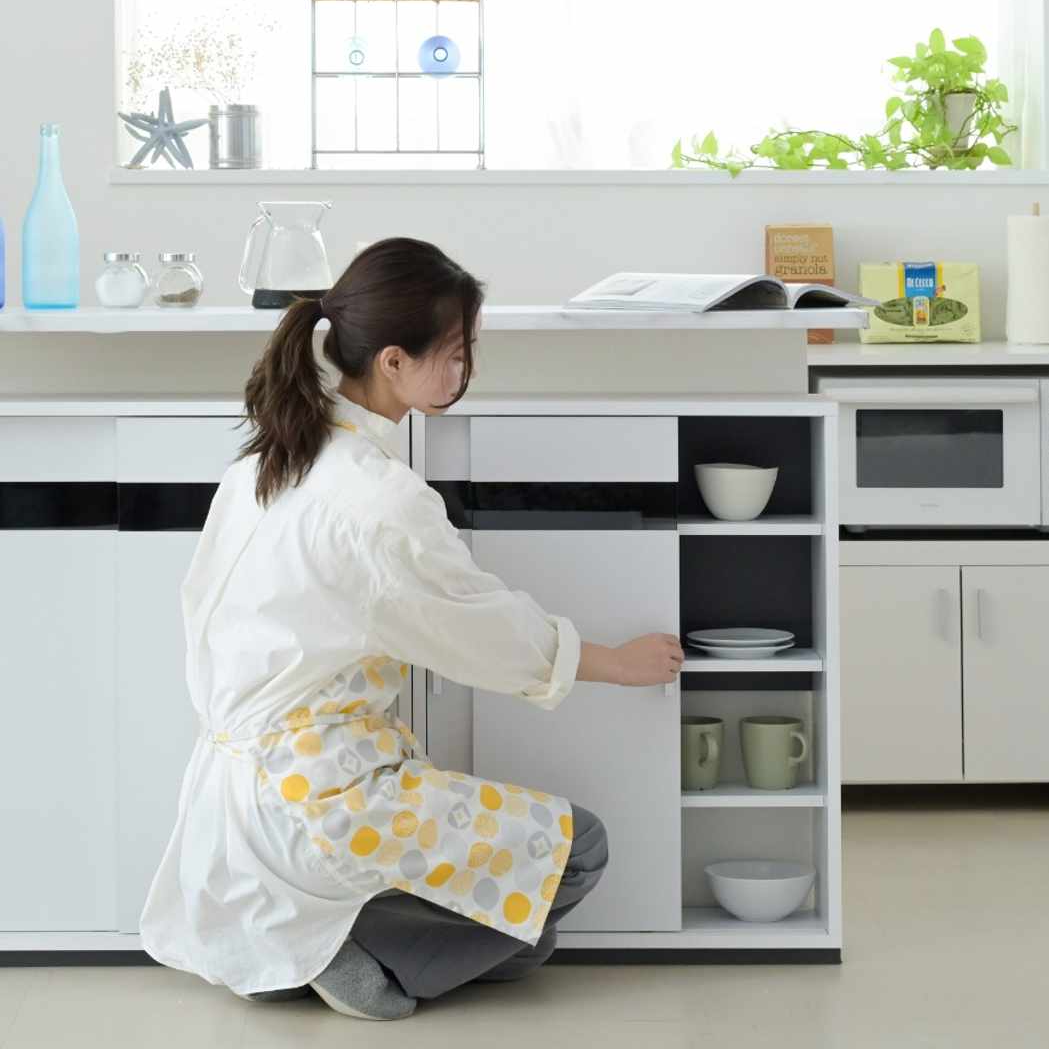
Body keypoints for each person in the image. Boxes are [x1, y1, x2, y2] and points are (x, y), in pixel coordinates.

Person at [140, 238, 683, 1021]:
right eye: (456, 353)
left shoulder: (263, 466)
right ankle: (347, 954)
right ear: (393, 361)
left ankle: (302, 945)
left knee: (524, 933)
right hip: (318, 806)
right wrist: (616, 662)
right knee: (577, 853)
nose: (466, 371)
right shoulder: (376, 500)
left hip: (234, 798)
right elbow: (486, 633)